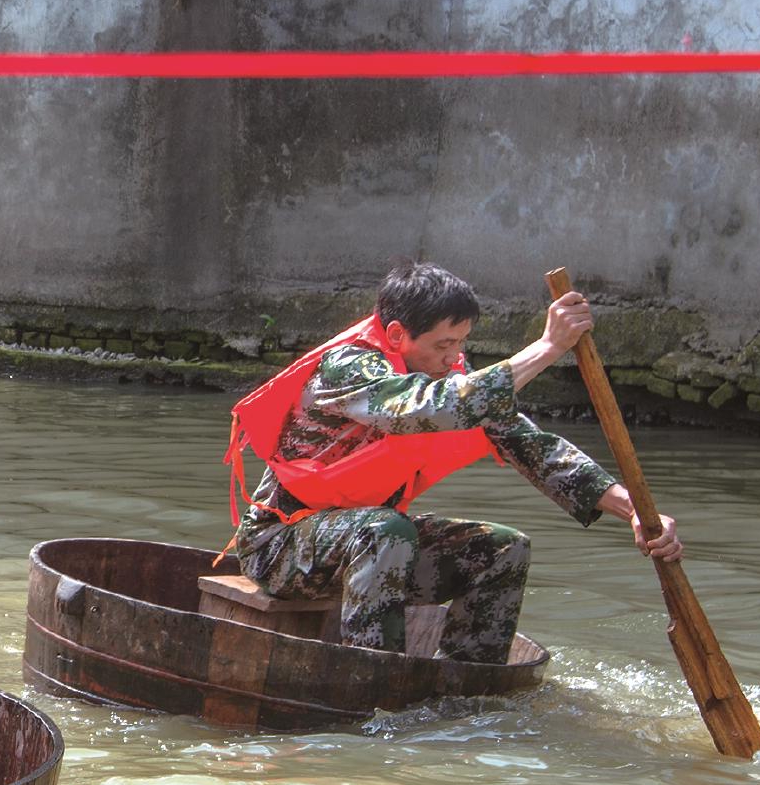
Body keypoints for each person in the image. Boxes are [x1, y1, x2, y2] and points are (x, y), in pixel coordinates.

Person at [226, 261, 682, 664]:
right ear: (397, 335)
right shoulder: (348, 368)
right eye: (443, 345)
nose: (453, 358)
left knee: (503, 548)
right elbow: (421, 408)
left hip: (373, 547)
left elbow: (532, 446)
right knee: (385, 529)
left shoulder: (448, 377)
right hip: (280, 548)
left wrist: (637, 513)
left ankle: (466, 692)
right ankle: (374, 688)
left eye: (460, 343)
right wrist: (547, 349)